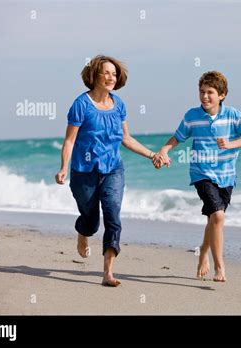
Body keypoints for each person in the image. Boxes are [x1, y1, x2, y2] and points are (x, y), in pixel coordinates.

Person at [55, 55, 169, 287]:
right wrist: (64, 167)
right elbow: (69, 141)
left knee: (113, 215)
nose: (111, 77)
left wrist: (152, 155)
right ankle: (83, 233)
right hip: (84, 171)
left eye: (114, 74)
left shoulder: (119, 105)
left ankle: (107, 273)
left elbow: (126, 139)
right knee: (91, 221)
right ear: (94, 75)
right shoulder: (81, 105)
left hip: (113, 170)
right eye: (106, 72)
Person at [153, 71, 241, 282]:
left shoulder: (234, 115)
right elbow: (178, 137)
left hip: (227, 175)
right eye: (201, 92)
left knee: (213, 219)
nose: (205, 96)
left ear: (222, 95)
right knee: (218, 216)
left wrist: (230, 144)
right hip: (201, 173)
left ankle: (203, 251)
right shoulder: (192, 116)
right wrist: (164, 150)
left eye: (210, 92)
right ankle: (220, 267)